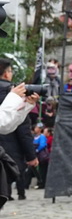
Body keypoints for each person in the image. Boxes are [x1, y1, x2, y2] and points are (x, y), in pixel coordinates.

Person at [0, 60, 40, 199]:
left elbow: (7, 126)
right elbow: (3, 123)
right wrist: (13, 97)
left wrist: (27, 105)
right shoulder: (8, 91)